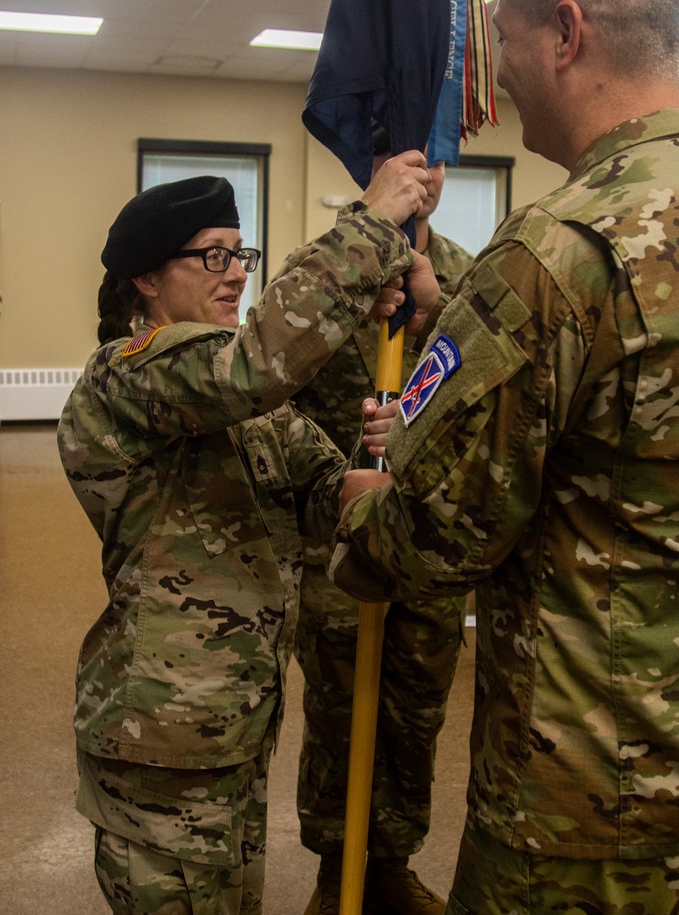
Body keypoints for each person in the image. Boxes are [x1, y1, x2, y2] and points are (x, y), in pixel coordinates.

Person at [333, 0, 679, 915]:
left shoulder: (556, 246)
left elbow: (439, 535)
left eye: (504, 39)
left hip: (590, 804)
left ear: (565, 33)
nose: (499, 75)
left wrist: (358, 510)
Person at [58, 160, 433, 915]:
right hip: (160, 738)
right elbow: (252, 367)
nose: (234, 275)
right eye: (211, 257)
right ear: (146, 281)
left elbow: (323, 493)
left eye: (241, 254)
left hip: (233, 728)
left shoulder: (254, 409)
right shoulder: (129, 376)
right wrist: (367, 226)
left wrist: (373, 469)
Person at [290, 134, 473, 915]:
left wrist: (436, 309)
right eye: (403, 160)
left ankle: (391, 860)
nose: (421, 178)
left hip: (427, 542)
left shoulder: (472, 279)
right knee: (336, 709)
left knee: (414, 709)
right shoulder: (325, 270)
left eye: (432, 161)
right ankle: (338, 868)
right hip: (339, 540)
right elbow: (277, 384)